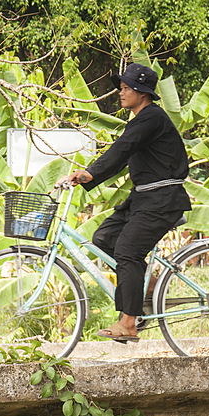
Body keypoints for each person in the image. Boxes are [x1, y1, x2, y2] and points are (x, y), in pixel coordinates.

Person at [67, 62, 191, 342]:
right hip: (143, 198)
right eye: (121, 88)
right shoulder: (141, 121)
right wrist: (90, 174)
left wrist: (90, 172)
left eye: (126, 88)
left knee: (127, 251)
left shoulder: (151, 118)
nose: (121, 93)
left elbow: (122, 149)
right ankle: (150, 288)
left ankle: (128, 323)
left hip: (162, 200)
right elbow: (123, 155)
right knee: (104, 239)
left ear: (142, 92)